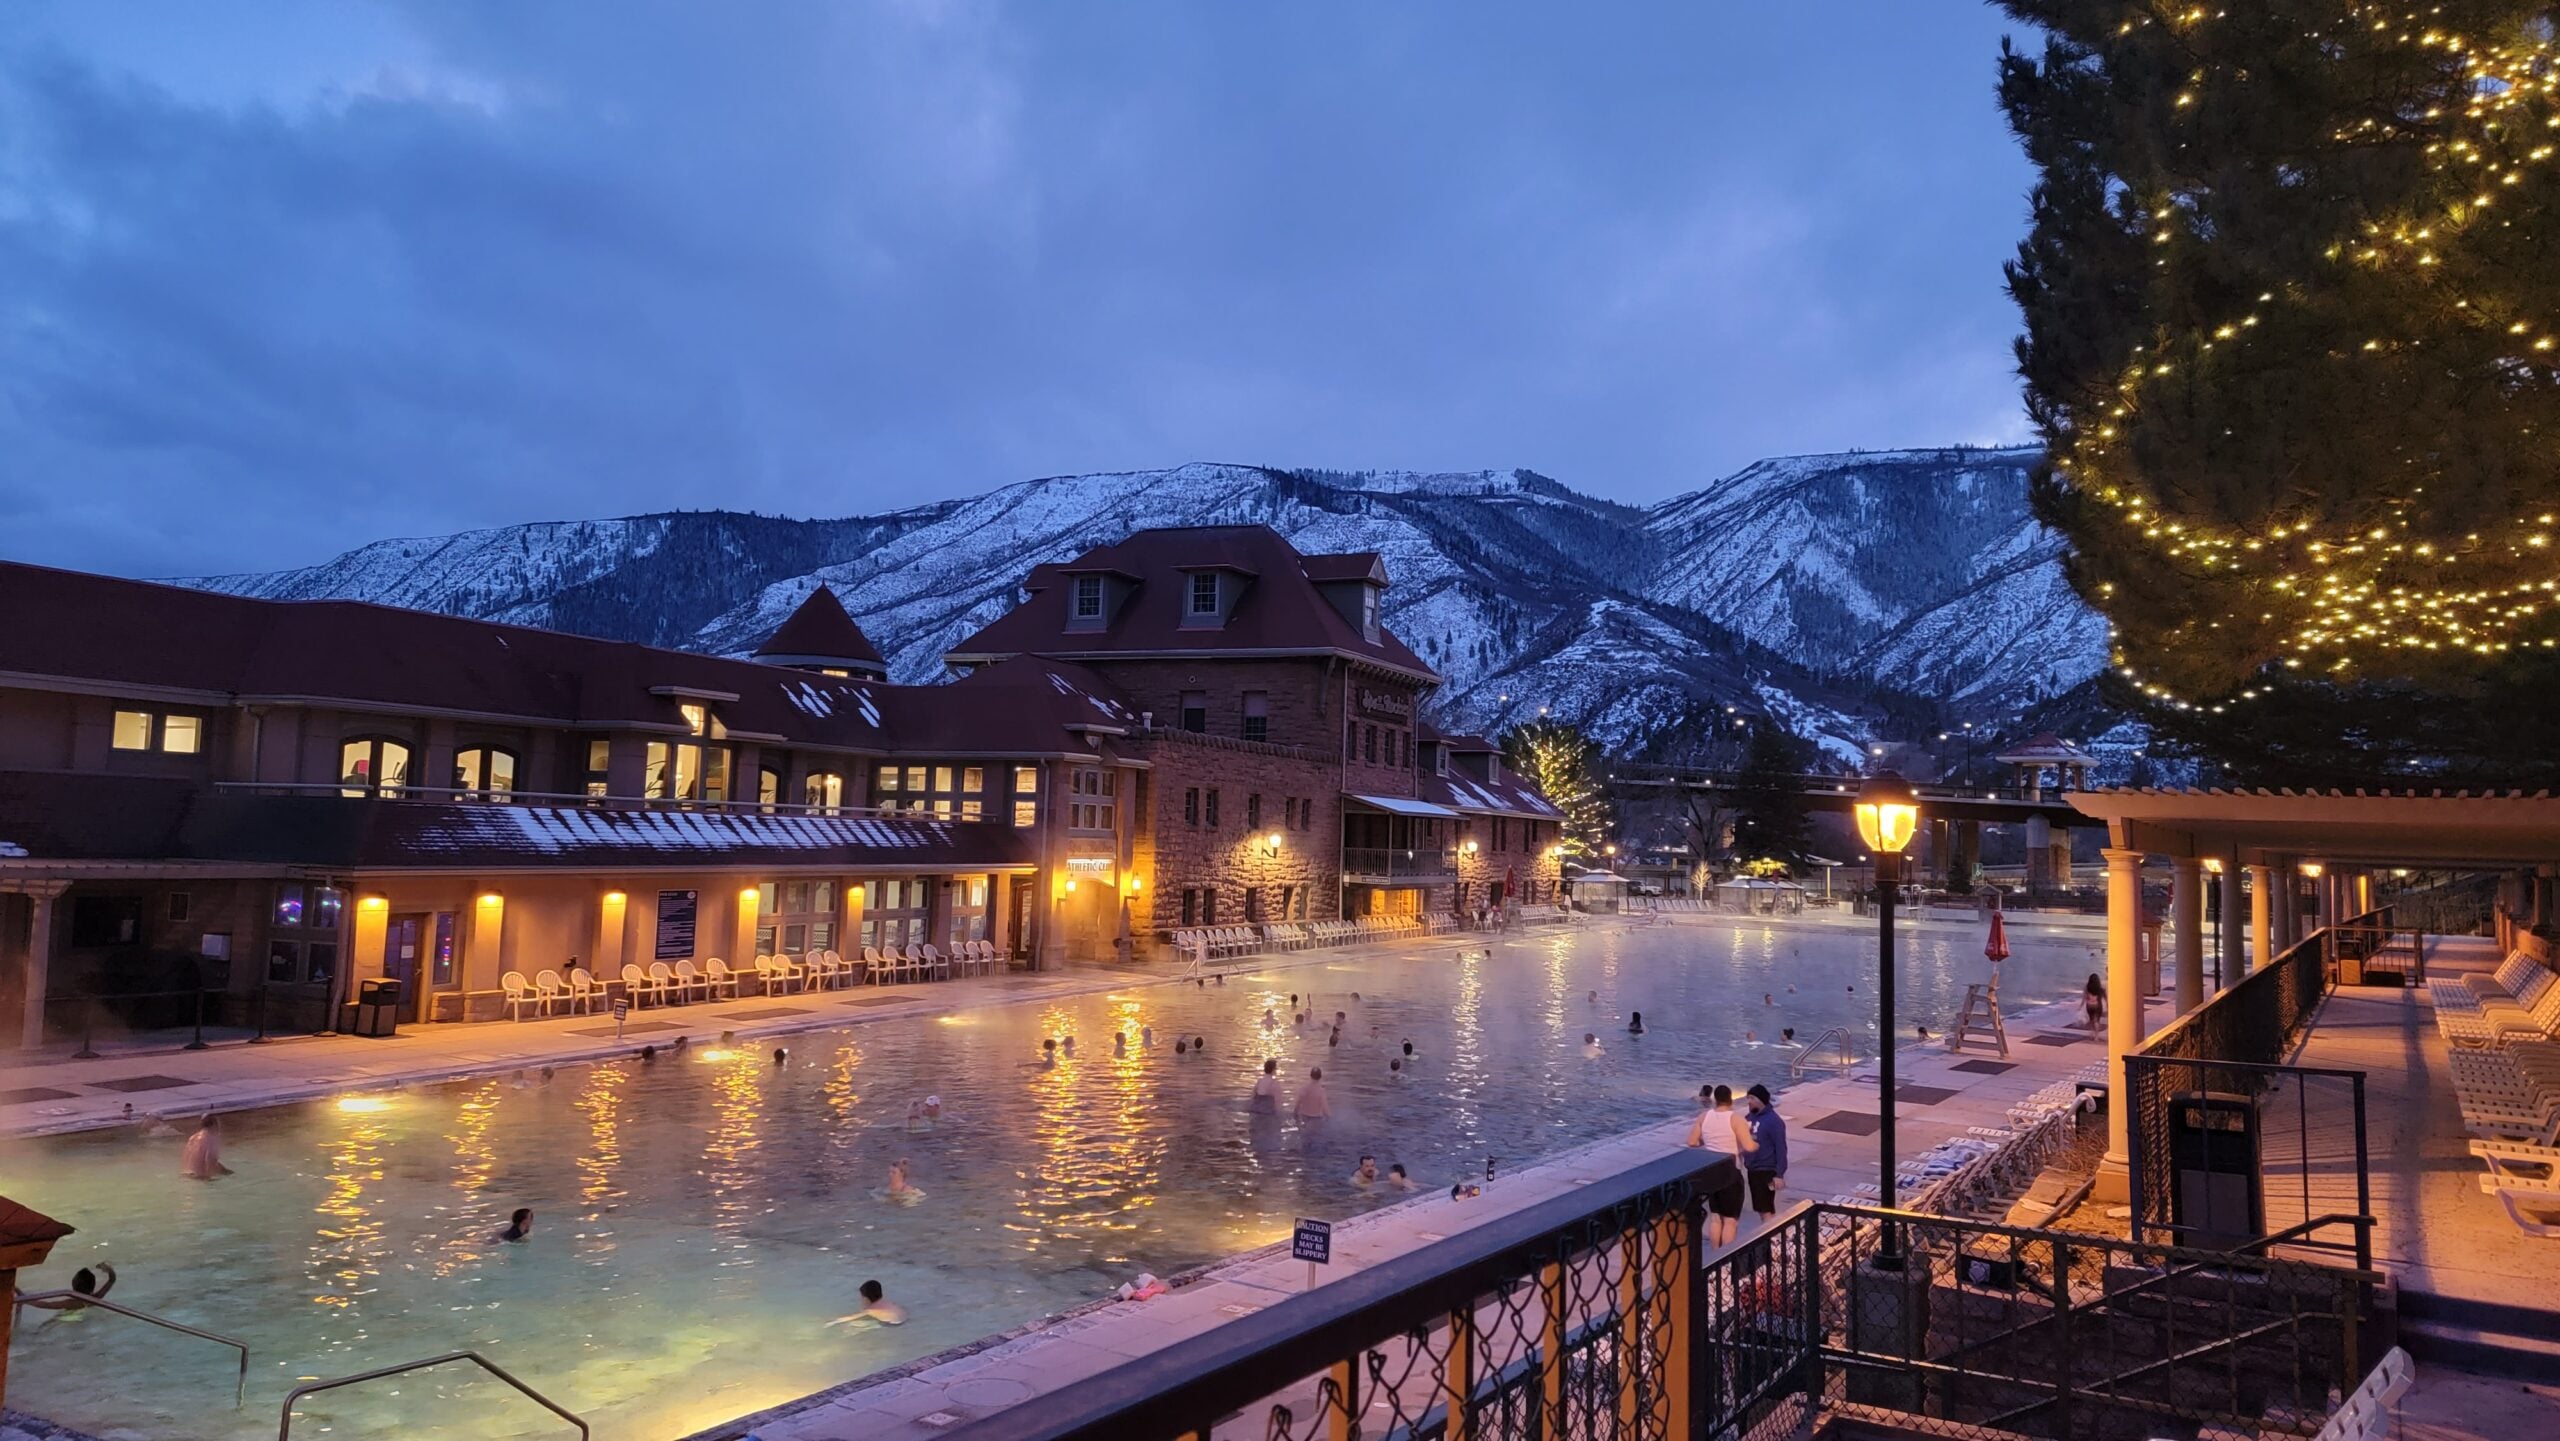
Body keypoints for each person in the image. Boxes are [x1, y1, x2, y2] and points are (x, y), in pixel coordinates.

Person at [1687, 1085, 1748, 1247]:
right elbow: (1749, 1146)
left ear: (1715, 1099)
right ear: (1731, 1099)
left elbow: (1692, 1142)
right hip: (1731, 1172)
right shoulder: (1736, 1119)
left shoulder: (1704, 1116)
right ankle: (1726, 1259)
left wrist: (1706, 1141)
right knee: (1730, 1220)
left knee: (1715, 1217)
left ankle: (1715, 1254)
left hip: (1712, 1172)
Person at [1742, 1085, 1789, 1226]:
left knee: (1765, 1209)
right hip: (1753, 1169)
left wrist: (1779, 1174)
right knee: (1763, 1208)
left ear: (1761, 1100)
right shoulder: (1749, 1118)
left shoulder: (1773, 1121)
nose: (1749, 1101)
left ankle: (1768, 1240)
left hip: (1766, 1170)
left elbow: (1781, 1148)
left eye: (1752, 1098)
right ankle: (1770, 1237)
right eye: (1748, 1098)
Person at [829, 1278, 908, 1327]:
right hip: (904, 1318)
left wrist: (833, 1322)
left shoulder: (870, 1310)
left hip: (891, 1324)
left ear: (866, 1298)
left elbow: (850, 1317)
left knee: (851, 1325)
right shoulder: (888, 1302)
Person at [180, 1115, 231, 1181]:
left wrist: (225, 1171)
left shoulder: (192, 1138)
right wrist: (209, 1179)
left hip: (185, 1175)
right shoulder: (211, 1138)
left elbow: (186, 1158)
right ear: (213, 1125)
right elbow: (210, 1160)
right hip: (200, 1178)